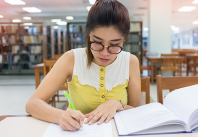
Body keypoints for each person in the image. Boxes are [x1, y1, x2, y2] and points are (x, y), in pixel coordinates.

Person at [25, 0, 141, 132]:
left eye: (114, 45)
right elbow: (32, 104)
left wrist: (117, 104)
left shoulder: (130, 61)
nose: (104, 53)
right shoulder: (71, 59)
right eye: (97, 42)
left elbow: (136, 112)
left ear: (124, 41)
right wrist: (60, 116)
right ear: (88, 36)